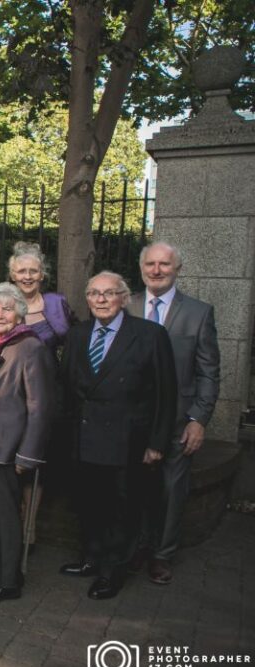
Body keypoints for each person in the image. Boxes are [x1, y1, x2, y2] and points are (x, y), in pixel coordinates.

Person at [59, 271, 176, 600]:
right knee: (88, 504)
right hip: (84, 437)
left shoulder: (150, 335)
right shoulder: (78, 334)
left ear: (124, 298)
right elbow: (67, 388)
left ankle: (113, 571)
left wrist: (156, 443)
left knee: (121, 509)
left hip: (127, 441)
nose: (101, 299)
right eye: (94, 293)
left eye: (109, 293)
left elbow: (166, 394)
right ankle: (91, 559)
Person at [127, 241, 220, 585]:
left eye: (164, 264)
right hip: (136, 419)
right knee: (135, 486)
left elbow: (209, 372)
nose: (156, 270)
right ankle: (137, 546)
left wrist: (199, 419)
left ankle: (161, 555)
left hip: (180, 420)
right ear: (141, 269)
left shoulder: (198, 313)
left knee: (170, 489)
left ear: (177, 269)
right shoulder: (128, 306)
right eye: (150, 264)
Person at [0, 283, 55, 603]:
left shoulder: (30, 347)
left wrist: (27, 455)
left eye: (7, 308)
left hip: (8, 450)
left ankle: (7, 583)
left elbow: (40, 406)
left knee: (5, 515)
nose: (0, 314)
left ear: (19, 312)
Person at [7, 241, 76, 548]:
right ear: (11, 274)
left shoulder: (56, 304)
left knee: (36, 462)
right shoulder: (3, 302)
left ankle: (29, 528)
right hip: (10, 395)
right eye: (21, 270)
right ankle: (9, 523)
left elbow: (74, 345)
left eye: (33, 270)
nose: (27, 276)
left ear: (42, 274)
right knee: (10, 460)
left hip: (46, 394)